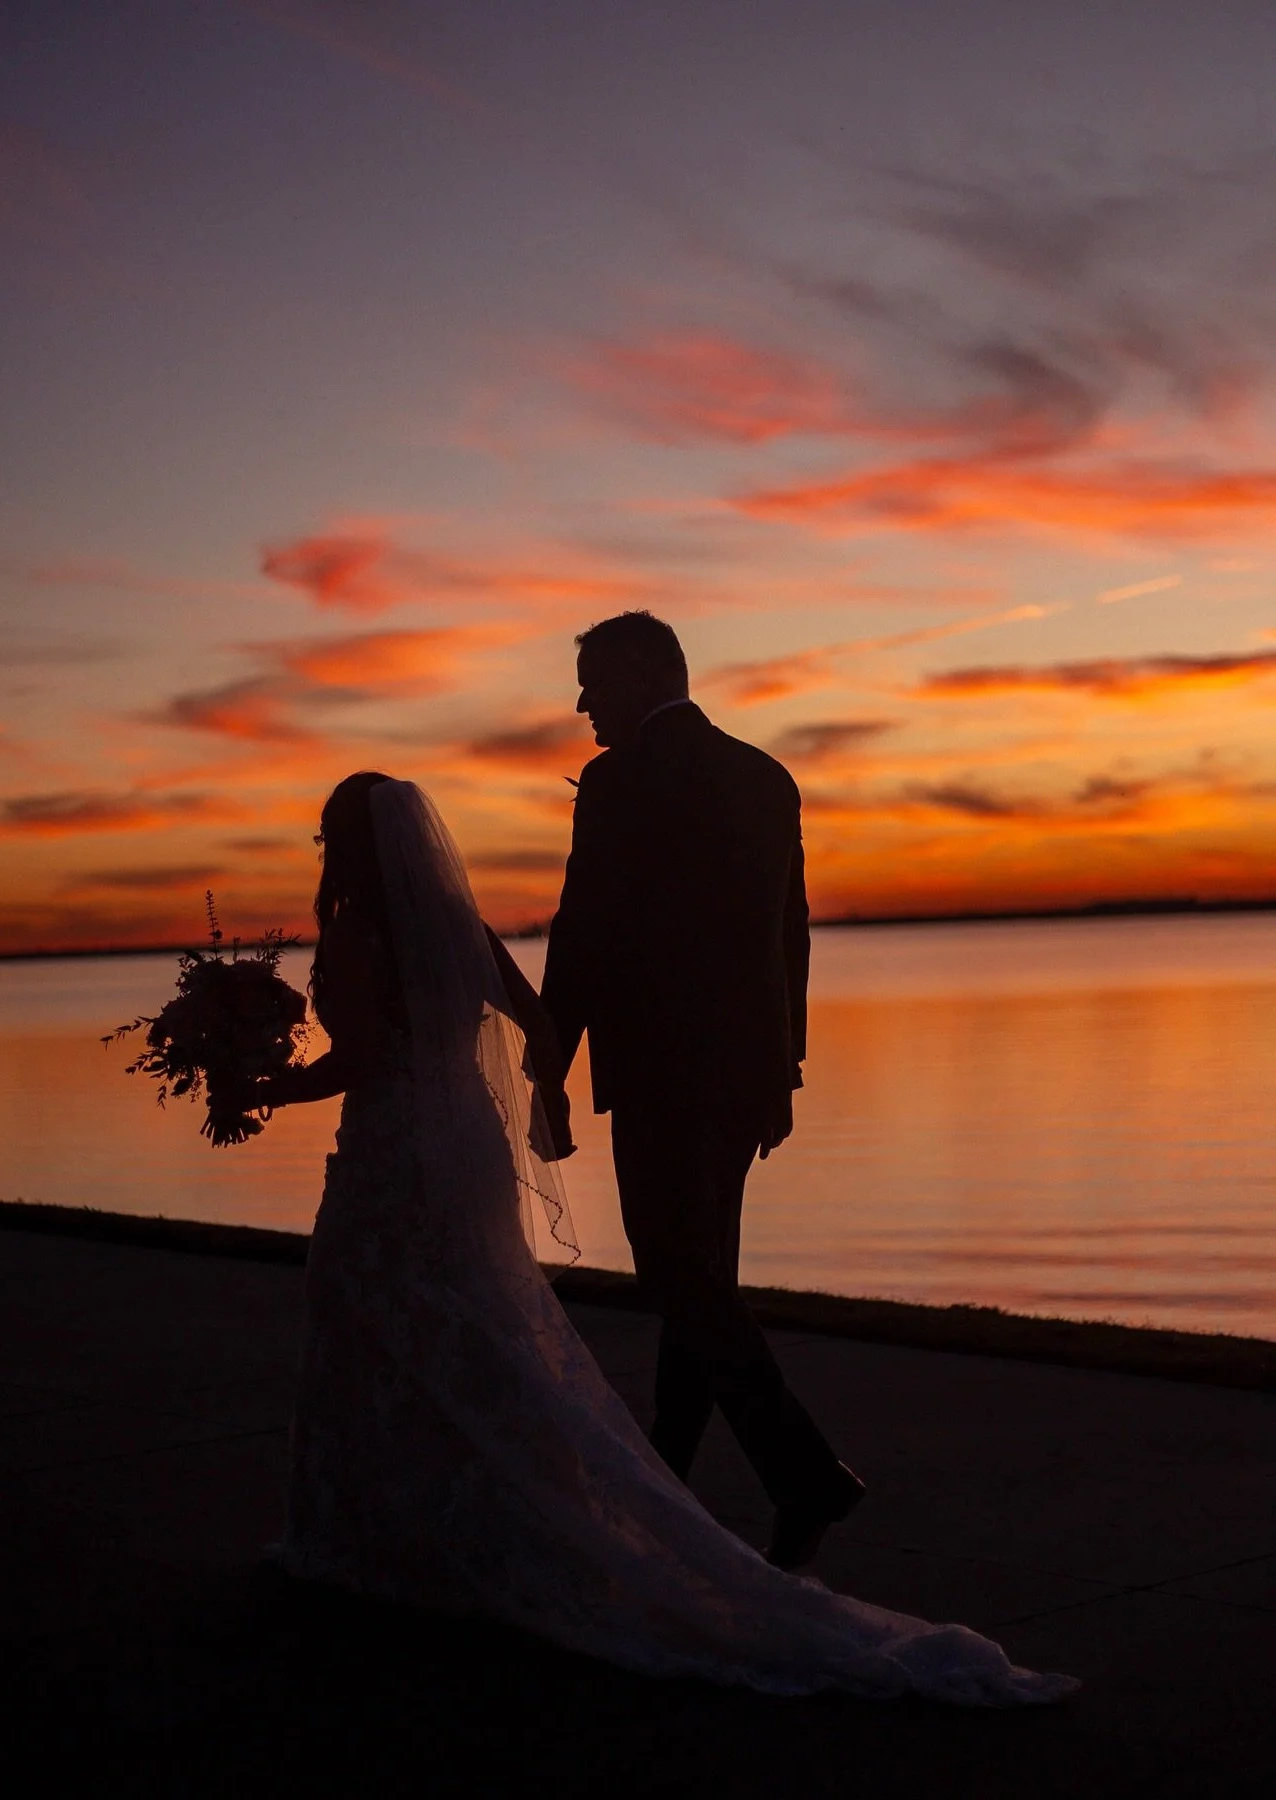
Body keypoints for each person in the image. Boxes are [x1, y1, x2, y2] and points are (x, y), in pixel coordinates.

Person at [246, 769, 1076, 1705]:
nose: (323, 854)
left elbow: (356, 1063)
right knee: (477, 1328)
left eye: (327, 838)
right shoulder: (458, 931)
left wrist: (259, 1086)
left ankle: (389, 1530)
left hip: (395, 1155)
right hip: (465, 1146)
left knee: (379, 1323)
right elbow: (542, 1021)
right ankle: (490, 1517)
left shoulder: (360, 934)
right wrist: (544, 1093)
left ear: (350, 847)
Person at [541, 611, 857, 1566]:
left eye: (594, 680)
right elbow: (787, 940)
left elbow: (586, 929)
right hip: (746, 1078)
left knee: (680, 1280)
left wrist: (544, 1062)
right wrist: (785, 1070)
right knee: (700, 1284)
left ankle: (805, 1475)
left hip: (662, 1077)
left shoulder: (618, 781)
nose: (583, 703)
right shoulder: (765, 776)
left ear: (642, 674)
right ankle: (667, 1484)